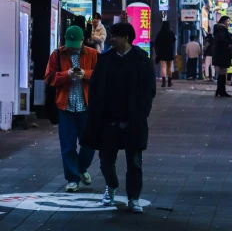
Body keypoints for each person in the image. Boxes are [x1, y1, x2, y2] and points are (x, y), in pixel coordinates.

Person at [84, 22, 156, 213]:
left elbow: (149, 90)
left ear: (125, 37)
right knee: (106, 160)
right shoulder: (105, 59)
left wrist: (142, 113)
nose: (111, 39)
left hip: (134, 120)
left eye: (114, 35)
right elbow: (95, 88)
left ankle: (134, 198)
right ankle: (112, 185)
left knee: (134, 161)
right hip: (108, 120)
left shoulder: (141, 60)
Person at [44, 25, 98, 192]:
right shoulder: (57, 54)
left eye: (76, 44)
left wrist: (86, 74)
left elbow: (102, 76)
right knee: (67, 146)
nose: (72, 47)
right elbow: (49, 78)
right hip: (65, 107)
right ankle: (72, 178)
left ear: (83, 41)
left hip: (86, 107)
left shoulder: (93, 54)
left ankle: (81, 168)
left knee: (89, 143)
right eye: (70, 44)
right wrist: (66, 74)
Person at [213, 16, 232, 97]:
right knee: (223, 72)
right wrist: (229, 42)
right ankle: (222, 90)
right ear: (224, 21)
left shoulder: (218, 29)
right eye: (228, 21)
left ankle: (219, 90)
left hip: (219, 53)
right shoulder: (222, 29)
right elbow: (223, 41)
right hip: (223, 53)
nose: (229, 23)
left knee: (221, 72)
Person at [154, 20, 176, 88]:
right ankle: (169, 83)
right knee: (169, 67)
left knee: (163, 67)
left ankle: (163, 83)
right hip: (169, 51)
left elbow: (156, 42)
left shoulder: (160, 33)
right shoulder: (171, 33)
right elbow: (173, 41)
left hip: (162, 52)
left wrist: (157, 52)